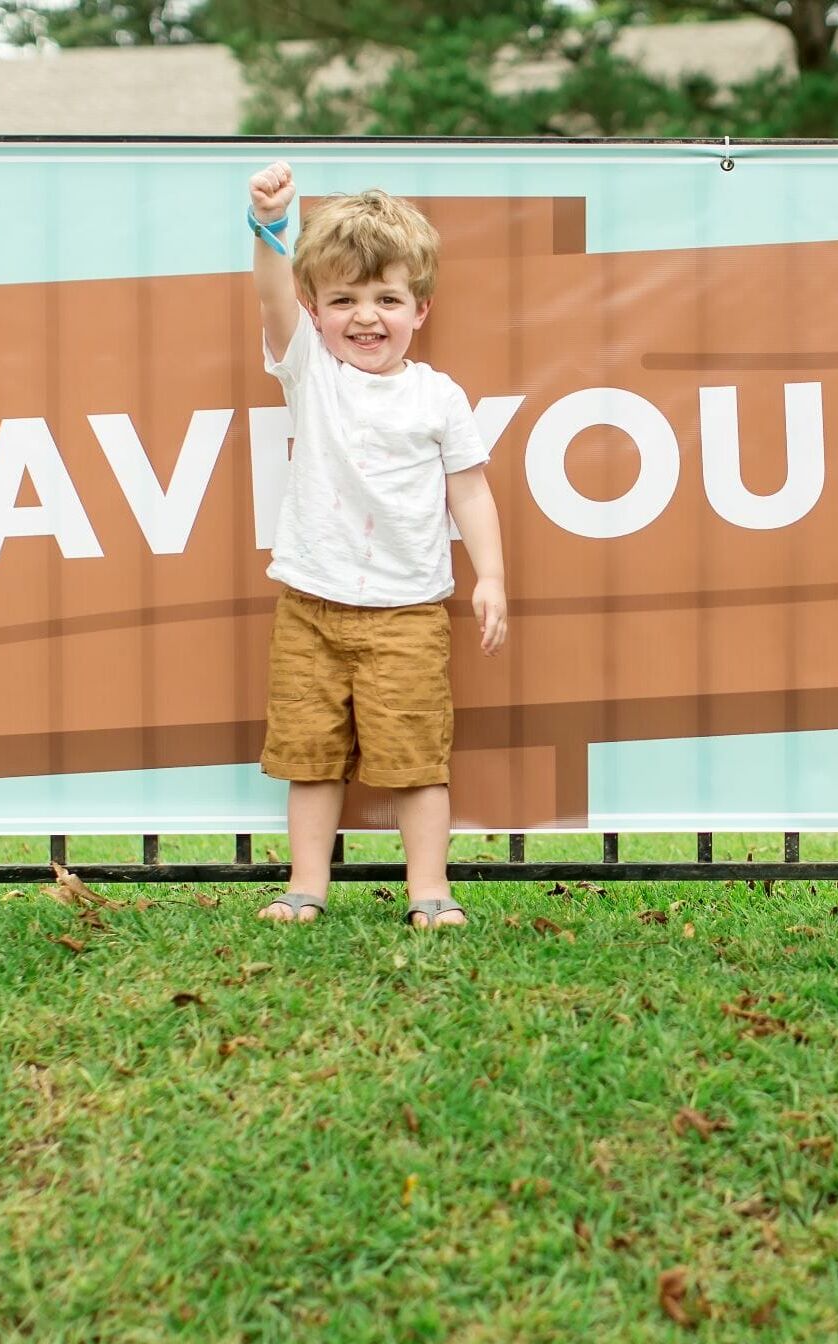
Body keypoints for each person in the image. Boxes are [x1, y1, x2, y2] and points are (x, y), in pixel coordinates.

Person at [245, 161, 508, 929]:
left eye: (387, 298)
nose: (366, 317)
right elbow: (268, 291)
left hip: (407, 615)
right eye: (344, 300)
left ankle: (429, 892)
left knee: (415, 762)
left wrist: (489, 574)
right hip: (311, 607)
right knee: (308, 756)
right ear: (314, 309)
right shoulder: (309, 372)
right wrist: (269, 225)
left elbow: (471, 490)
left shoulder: (439, 396)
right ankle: (305, 886)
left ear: (419, 309)